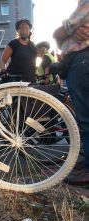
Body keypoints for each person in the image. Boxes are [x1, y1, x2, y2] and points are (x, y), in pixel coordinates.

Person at [53, 0, 89, 184]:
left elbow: (58, 34)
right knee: (84, 116)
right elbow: (58, 37)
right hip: (78, 60)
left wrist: (65, 29)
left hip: (82, 58)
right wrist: (67, 30)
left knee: (85, 117)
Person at [0, 18, 37, 83]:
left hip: (31, 80)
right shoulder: (13, 44)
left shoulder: (33, 45)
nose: (24, 30)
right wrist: (3, 71)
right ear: (17, 30)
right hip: (15, 81)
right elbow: (3, 61)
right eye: (22, 28)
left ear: (29, 30)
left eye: (27, 28)